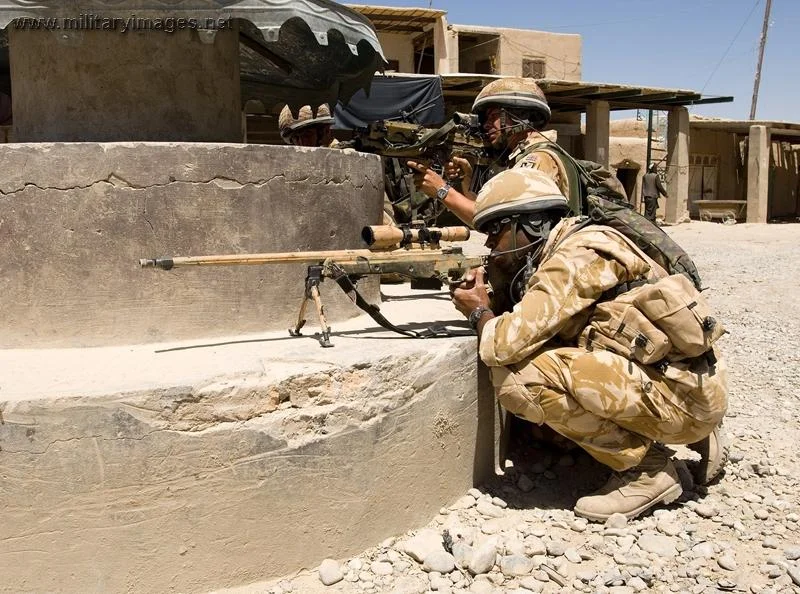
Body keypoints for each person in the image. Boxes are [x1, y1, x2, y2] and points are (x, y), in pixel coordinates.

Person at [450, 167, 728, 521]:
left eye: (496, 231)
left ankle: (646, 471)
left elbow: (500, 346)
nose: (490, 245)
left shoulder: (575, 258)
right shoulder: (582, 241)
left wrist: (479, 313)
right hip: (691, 384)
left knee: (521, 378)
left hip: (685, 398)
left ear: (531, 225)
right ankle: (690, 430)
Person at [407, 77, 558, 226]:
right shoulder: (525, 156)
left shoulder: (537, 160)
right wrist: (468, 178)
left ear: (520, 117)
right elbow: (481, 214)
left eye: (493, 116)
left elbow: (498, 224)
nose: (486, 125)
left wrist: (441, 190)